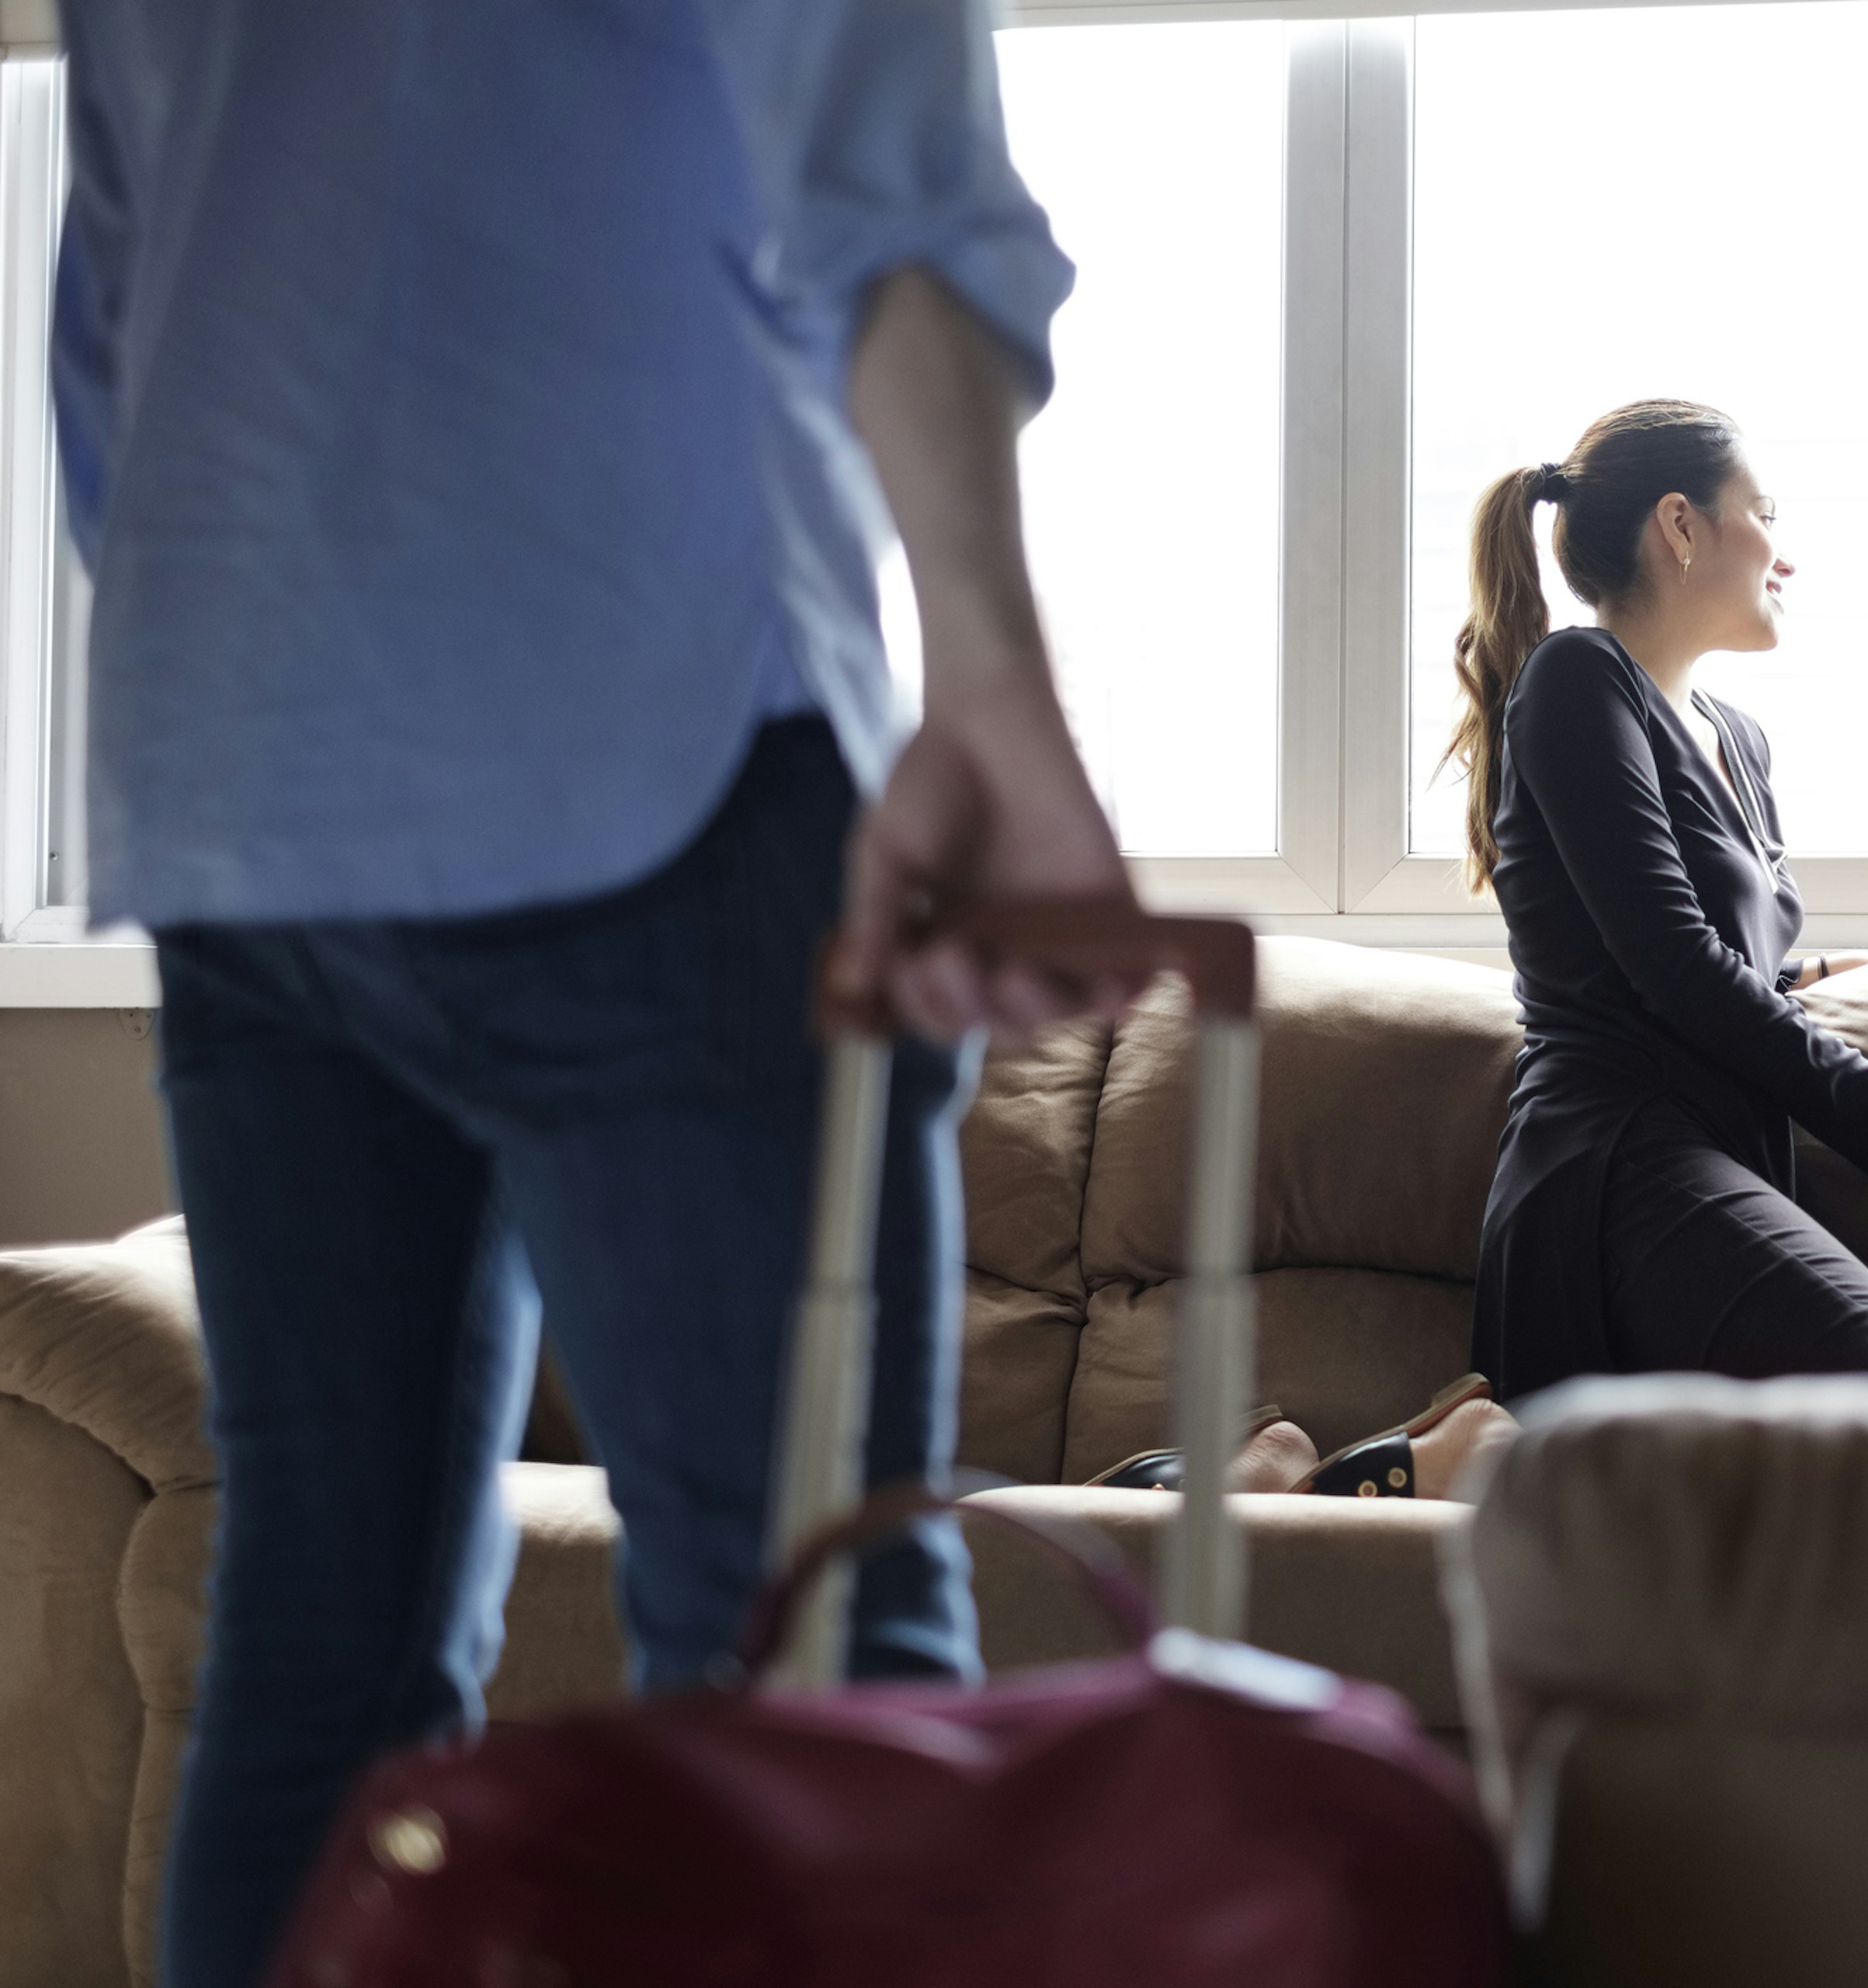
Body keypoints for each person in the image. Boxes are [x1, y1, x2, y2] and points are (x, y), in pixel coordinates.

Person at [54, 5, 1129, 1984]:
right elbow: (891, 177)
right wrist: (992, 684)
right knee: (808, 1645)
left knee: (320, 1659)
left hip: (246, 776)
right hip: (650, 732)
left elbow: (118, 304)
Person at [1448, 401, 1868, 1402]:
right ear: (1679, 526)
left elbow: (1686, 946)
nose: (1785, 557)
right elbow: (1670, 964)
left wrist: (1813, 973)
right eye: (1765, 513)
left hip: (1724, 1160)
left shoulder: (1737, 737)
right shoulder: (1579, 679)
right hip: (1616, 1169)